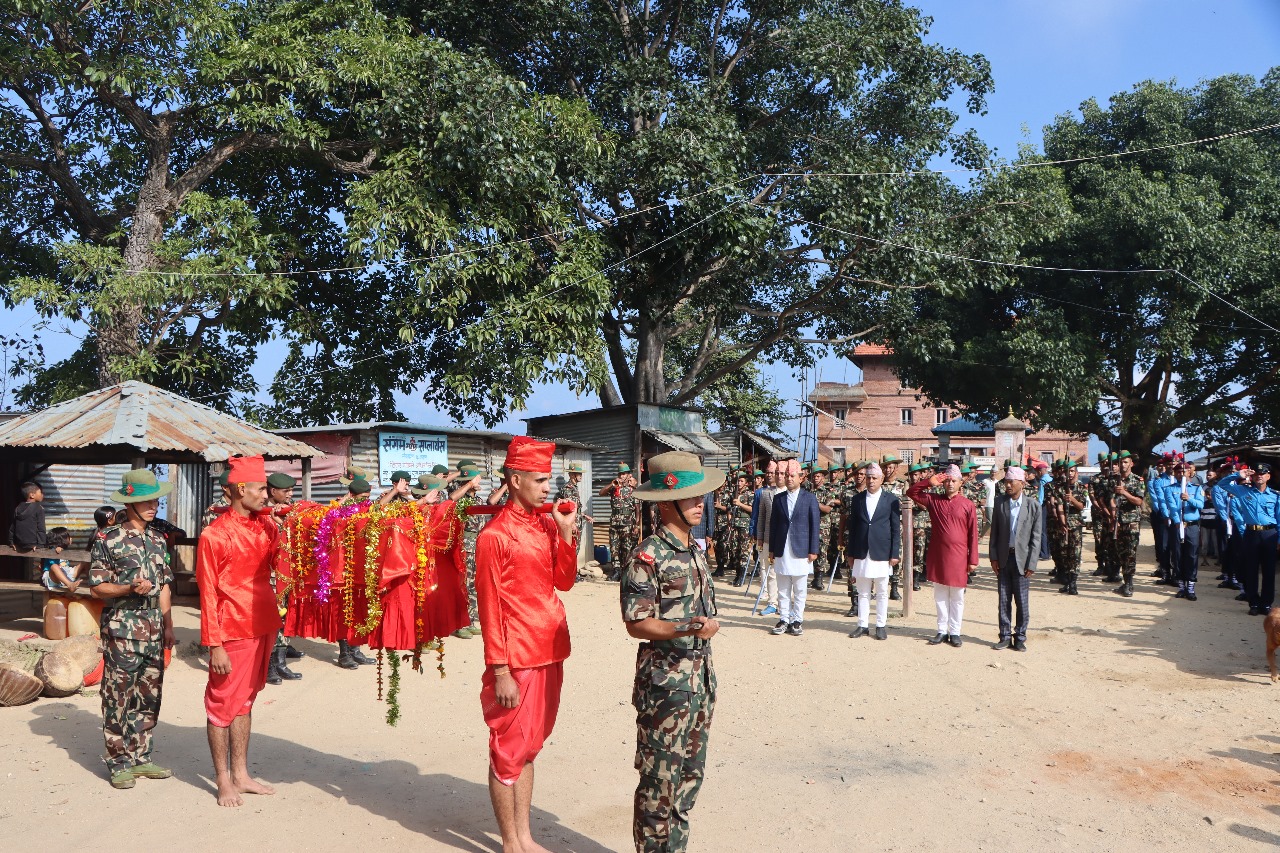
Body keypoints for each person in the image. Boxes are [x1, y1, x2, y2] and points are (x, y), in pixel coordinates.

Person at [475, 436, 578, 853]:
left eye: (548, 479)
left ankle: (524, 836)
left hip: (550, 649)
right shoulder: (495, 536)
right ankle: (509, 842)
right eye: (539, 480)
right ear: (515, 480)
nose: (546, 487)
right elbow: (489, 607)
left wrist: (566, 533)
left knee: (530, 748)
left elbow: (564, 582)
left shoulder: (545, 524)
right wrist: (500, 669)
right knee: (507, 751)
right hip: (516, 657)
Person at [623, 451, 723, 852]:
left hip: (699, 681)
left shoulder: (695, 549)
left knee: (688, 780)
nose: (701, 503)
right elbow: (636, 622)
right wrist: (688, 627)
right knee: (658, 786)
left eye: (701, 496)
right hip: (665, 689)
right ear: (666, 502)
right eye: (692, 497)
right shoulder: (647, 556)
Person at [196, 454, 282, 807]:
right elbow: (208, 594)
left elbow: (282, 562)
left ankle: (242, 774)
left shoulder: (266, 527)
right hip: (231, 629)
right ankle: (221, 778)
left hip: (262, 623)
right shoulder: (214, 535)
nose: (267, 495)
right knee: (221, 705)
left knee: (245, 701)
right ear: (241, 488)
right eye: (262, 489)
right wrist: (213, 644)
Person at [85, 469, 176, 789]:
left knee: (148, 695)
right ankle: (118, 760)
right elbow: (96, 588)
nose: (154, 505)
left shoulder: (158, 538)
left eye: (155, 499)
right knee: (118, 696)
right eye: (146, 500)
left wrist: (168, 625)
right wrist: (127, 589)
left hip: (153, 630)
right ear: (131, 504)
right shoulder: (108, 540)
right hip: (123, 630)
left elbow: (164, 585)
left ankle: (141, 756)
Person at [907, 466, 978, 648]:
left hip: (959, 556)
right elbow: (911, 492)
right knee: (939, 595)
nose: (950, 484)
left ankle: (954, 632)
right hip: (939, 555)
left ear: (961, 483)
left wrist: (973, 560)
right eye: (947, 480)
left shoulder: (967, 504)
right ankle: (941, 630)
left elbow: (973, 535)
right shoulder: (934, 500)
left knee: (957, 597)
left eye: (954, 480)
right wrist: (928, 483)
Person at [988, 467, 1042, 651]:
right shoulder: (1000, 503)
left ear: (1022, 483)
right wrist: (993, 557)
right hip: (1004, 559)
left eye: (1012, 482)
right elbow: (994, 533)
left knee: (1022, 602)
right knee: (1003, 600)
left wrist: (1032, 563)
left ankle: (1020, 637)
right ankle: (1004, 636)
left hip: (1022, 561)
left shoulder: (1033, 505)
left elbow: (1036, 538)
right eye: (1006, 482)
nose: (1008, 485)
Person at [845, 463, 900, 641]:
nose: (870, 481)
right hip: (861, 551)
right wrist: (850, 553)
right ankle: (862, 625)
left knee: (882, 591)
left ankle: (881, 625)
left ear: (881, 479)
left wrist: (894, 553)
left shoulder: (891, 499)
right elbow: (853, 528)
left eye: (874, 478)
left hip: (882, 551)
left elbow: (895, 529)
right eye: (868, 477)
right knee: (862, 591)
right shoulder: (857, 499)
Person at [1217, 463, 1280, 615]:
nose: (1259, 476)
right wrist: (1239, 474)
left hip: (1269, 534)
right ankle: (1253, 602)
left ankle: (1266, 603)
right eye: (1256, 473)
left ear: (1268, 476)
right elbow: (1221, 484)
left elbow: (1279, 518)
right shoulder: (1243, 491)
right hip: (1251, 534)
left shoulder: (1275, 495)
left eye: (1263, 473)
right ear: (1252, 476)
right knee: (1250, 569)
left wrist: (1279, 540)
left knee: (1269, 570)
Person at [767, 460, 820, 636]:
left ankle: (797, 620)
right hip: (782, 548)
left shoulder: (810, 498)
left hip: (801, 549)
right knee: (783, 588)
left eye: (792, 476)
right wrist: (772, 549)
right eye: (786, 475)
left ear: (801, 478)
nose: (788, 479)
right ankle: (784, 619)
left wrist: (813, 549)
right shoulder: (778, 498)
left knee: (799, 589)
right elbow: (773, 525)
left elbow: (814, 525)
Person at [264, 471, 303, 684]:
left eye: (291, 490)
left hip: (287, 575)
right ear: (273, 491)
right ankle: (269, 666)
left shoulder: (291, 510)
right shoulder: (261, 511)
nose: (290, 494)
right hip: (268, 576)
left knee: (285, 617)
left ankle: (280, 662)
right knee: (271, 619)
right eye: (286, 491)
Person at [1162, 461, 1206, 601]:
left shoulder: (1197, 488)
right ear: (1175, 474)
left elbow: (1200, 505)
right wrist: (1177, 522)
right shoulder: (1169, 489)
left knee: (1192, 555)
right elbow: (1172, 506)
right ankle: (1181, 585)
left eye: (1184, 472)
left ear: (1189, 473)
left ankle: (1191, 586)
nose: (1181, 474)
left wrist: (1189, 499)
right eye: (1178, 472)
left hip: (1192, 525)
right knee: (1177, 555)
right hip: (1178, 525)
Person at [1111, 451, 1147, 598]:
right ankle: (1124, 580)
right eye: (1120, 462)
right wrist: (1113, 517)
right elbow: (1111, 499)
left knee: (1130, 553)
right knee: (1120, 552)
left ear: (1131, 463)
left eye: (1126, 462)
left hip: (1131, 521)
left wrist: (1124, 492)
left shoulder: (1137, 480)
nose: (1123, 465)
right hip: (1118, 521)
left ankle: (1129, 583)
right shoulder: (1114, 480)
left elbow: (1139, 501)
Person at [602, 463, 640, 582]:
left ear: (629, 475)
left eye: (624, 474)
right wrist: (612, 484)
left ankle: (626, 572)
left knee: (627, 548)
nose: (621, 476)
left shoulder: (633, 490)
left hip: (628, 523)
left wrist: (637, 525)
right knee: (614, 547)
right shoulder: (614, 488)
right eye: (620, 474)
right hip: (614, 522)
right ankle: (616, 571)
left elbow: (638, 509)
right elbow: (601, 493)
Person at [811, 468, 838, 590]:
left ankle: (819, 579)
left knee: (822, 552)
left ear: (823, 477)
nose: (816, 478)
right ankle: (814, 577)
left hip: (823, 527)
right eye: (814, 476)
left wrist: (814, 503)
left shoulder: (828, 492)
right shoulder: (808, 491)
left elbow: (827, 509)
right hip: (810, 525)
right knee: (811, 551)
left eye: (818, 476)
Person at [10, 480, 48, 550]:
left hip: (19, 544)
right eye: (40, 492)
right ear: (32, 495)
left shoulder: (18, 507)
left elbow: (13, 526)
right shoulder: (39, 508)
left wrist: (11, 542)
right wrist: (40, 544)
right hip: (33, 544)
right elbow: (41, 528)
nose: (42, 494)